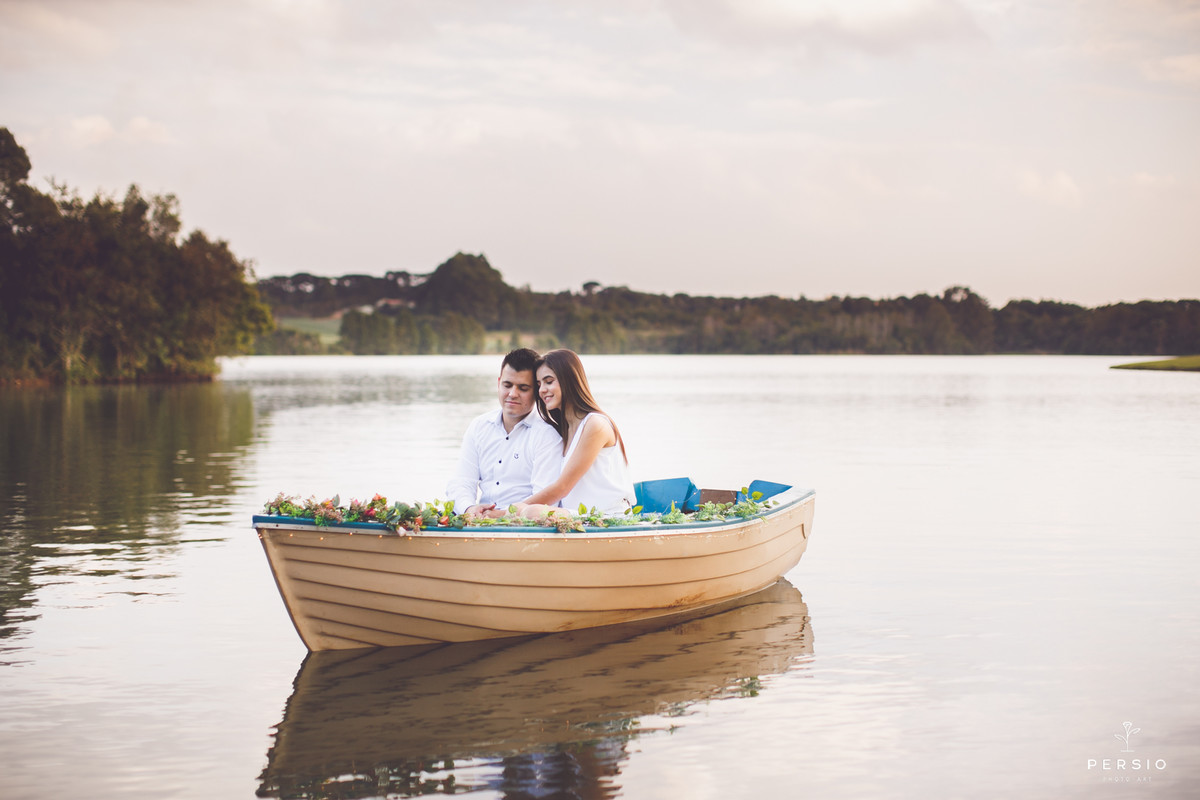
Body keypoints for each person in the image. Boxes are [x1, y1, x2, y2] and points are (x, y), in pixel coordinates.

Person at [516, 349, 636, 516]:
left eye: (549, 381)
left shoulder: (596, 424)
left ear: (569, 380)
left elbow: (562, 488)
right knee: (532, 511)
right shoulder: (563, 429)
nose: (542, 390)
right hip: (579, 517)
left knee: (533, 512)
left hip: (607, 517)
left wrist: (509, 511)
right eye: (539, 384)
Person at [446, 348, 564, 517]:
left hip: (527, 527)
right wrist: (469, 509)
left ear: (537, 390)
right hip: (478, 522)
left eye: (523, 388)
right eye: (507, 385)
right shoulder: (479, 426)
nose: (512, 394)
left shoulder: (547, 434)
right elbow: (462, 481)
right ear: (499, 382)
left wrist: (498, 515)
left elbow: (546, 500)